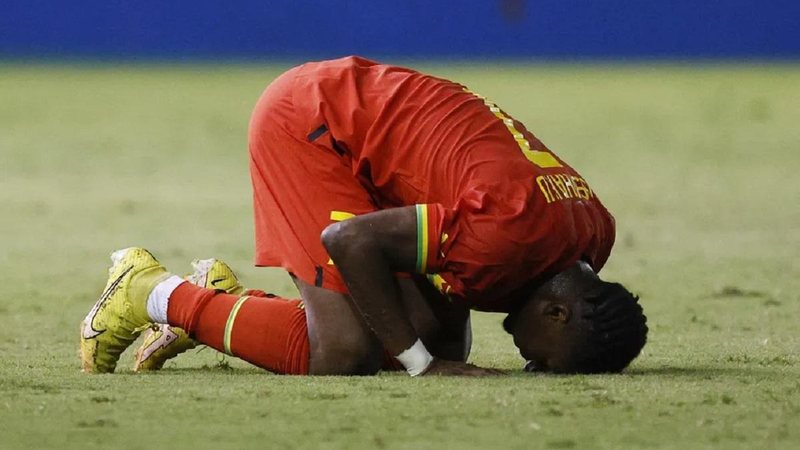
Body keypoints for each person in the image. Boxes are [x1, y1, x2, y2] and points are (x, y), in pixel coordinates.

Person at [79, 56, 647, 377]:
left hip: (374, 136)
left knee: (425, 340)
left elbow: (455, 283)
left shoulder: (591, 232)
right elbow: (350, 241)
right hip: (315, 124)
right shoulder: (507, 238)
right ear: (557, 312)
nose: (530, 364)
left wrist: (427, 350)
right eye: (542, 359)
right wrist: (423, 365)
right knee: (346, 351)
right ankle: (153, 291)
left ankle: (228, 300)